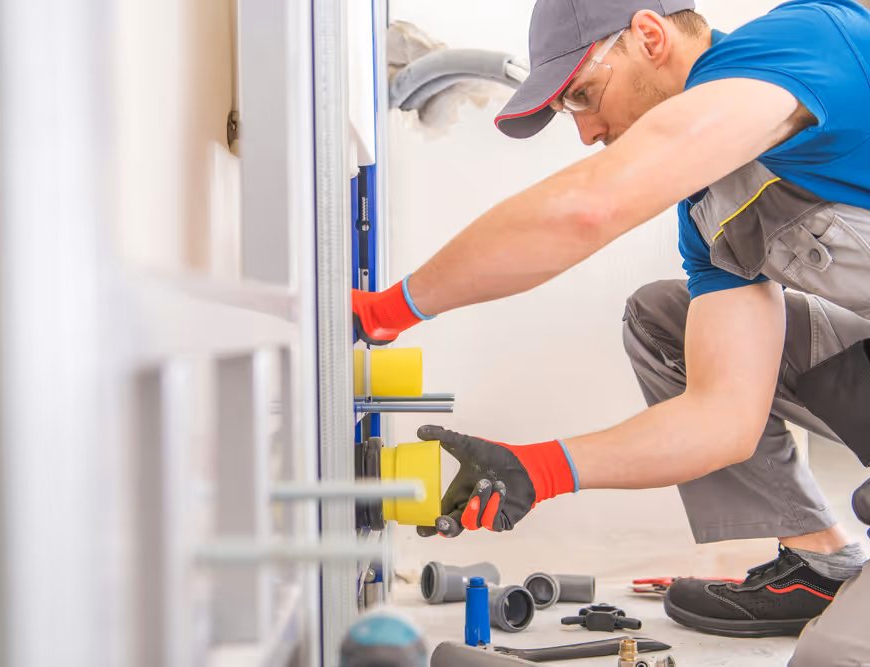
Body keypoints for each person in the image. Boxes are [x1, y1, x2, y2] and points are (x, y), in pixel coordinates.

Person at [352, 0, 870, 663]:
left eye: (583, 96)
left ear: (649, 36)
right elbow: (722, 419)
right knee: (664, 319)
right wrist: (538, 469)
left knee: (833, 660)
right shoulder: (711, 211)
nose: (587, 132)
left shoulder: (804, 43)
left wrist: (388, 309)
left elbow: (588, 207)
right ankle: (819, 566)